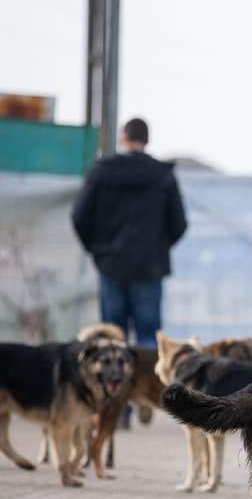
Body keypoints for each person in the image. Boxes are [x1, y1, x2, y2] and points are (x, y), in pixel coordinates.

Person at [72, 117, 187, 351]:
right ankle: (146, 387)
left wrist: (98, 251)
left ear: (123, 138)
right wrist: (158, 247)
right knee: (148, 338)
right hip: (150, 266)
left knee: (113, 339)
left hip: (111, 265)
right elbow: (179, 224)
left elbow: (79, 217)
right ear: (147, 140)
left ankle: (115, 387)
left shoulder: (101, 172)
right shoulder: (162, 175)